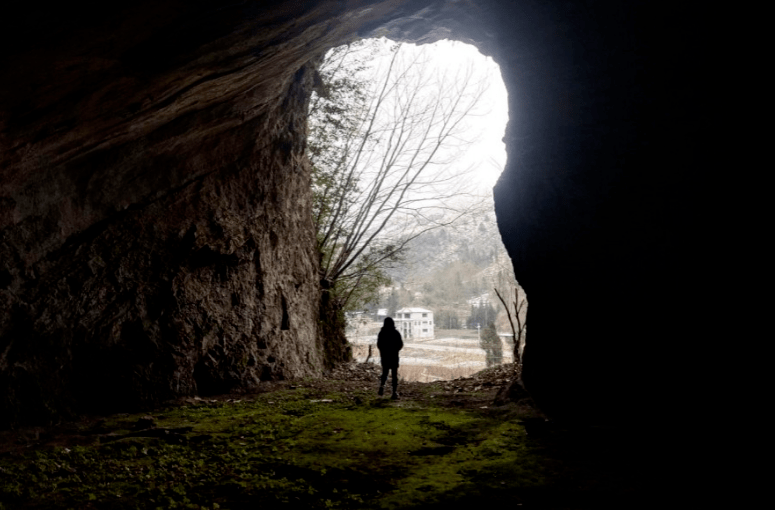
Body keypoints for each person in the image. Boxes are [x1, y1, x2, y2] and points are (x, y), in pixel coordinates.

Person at [376, 317, 403, 399]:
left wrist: (383, 351)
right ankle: (394, 392)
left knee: (384, 373)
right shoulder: (396, 333)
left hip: (385, 356)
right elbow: (400, 344)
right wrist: (395, 350)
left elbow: (379, 345)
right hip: (394, 356)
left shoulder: (382, 333)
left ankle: (382, 387)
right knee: (394, 375)